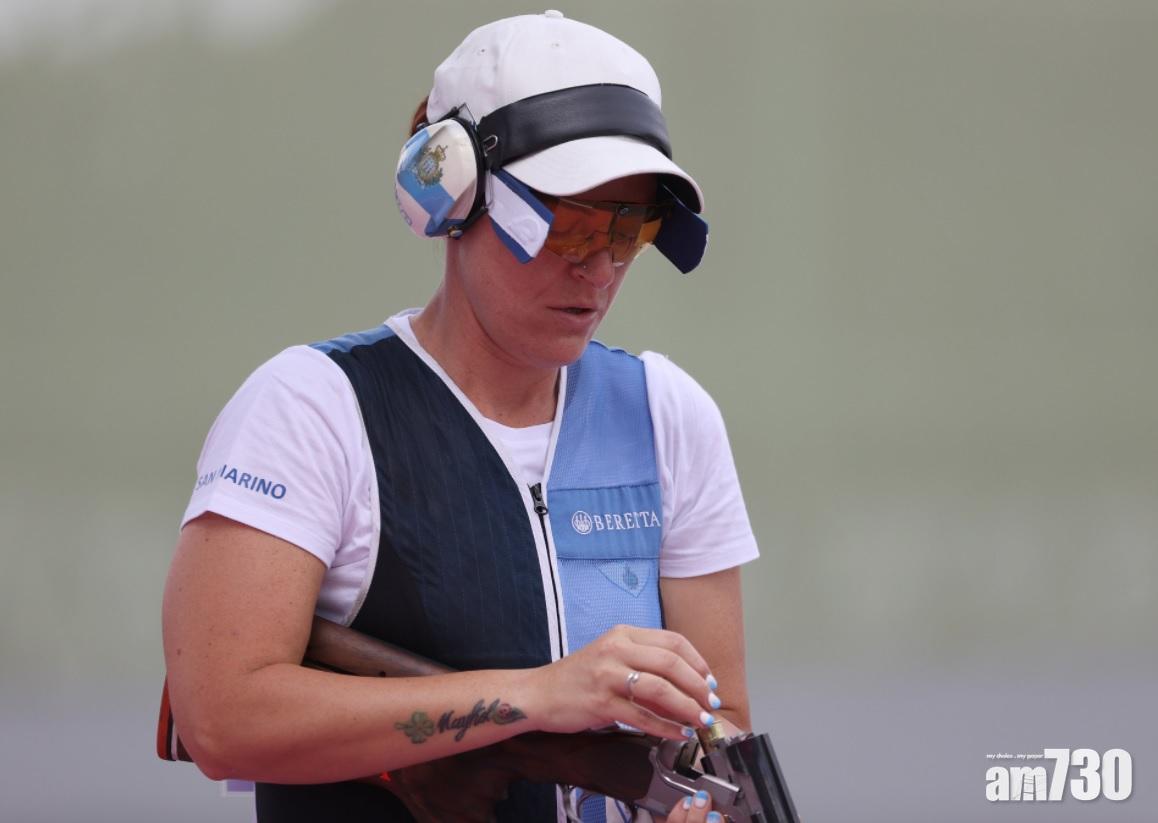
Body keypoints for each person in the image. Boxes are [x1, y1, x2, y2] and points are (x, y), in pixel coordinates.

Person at [162, 11, 758, 823]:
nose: (598, 267)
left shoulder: (670, 414)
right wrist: (539, 696)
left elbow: (718, 740)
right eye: (568, 224)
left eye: (631, 227)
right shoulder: (308, 407)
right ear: (451, 193)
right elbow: (221, 719)